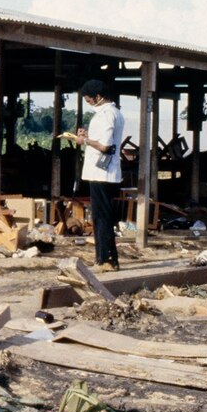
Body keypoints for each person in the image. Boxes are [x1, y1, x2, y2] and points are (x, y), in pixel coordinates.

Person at [76, 79, 125, 273]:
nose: (89, 103)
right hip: (106, 173)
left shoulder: (105, 115)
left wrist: (84, 140)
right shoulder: (114, 113)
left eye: (89, 100)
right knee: (103, 216)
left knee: (101, 218)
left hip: (101, 173)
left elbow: (105, 146)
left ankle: (106, 259)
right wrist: (89, 134)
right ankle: (107, 258)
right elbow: (105, 140)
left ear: (98, 97)